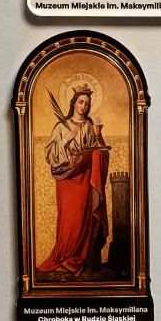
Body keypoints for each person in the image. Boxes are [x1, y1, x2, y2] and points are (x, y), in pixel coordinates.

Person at [37, 85, 109, 277]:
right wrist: (65, 140)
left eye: (87, 103)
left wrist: (98, 138)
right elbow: (50, 155)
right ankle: (63, 257)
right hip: (67, 179)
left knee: (83, 218)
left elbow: (99, 150)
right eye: (80, 102)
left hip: (85, 177)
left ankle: (78, 259)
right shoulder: (61, 127)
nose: (83, 106)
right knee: (70, 220)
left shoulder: (90, 125)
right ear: (74, 103)